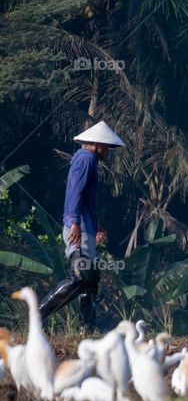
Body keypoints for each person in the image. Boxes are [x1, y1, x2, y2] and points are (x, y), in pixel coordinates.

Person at [38, 121, 125, 330]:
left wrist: (96, 224)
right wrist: (74, 222)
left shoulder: (88, 160)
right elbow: (75, 193)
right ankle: (38, 315)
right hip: (79, 228)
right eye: (107, 147)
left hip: (86, 226)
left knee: (91, 277)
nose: (108, 151)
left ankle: (87, 327)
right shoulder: (86, 159)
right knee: (80, 277)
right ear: (97, 144)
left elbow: (84, 197)